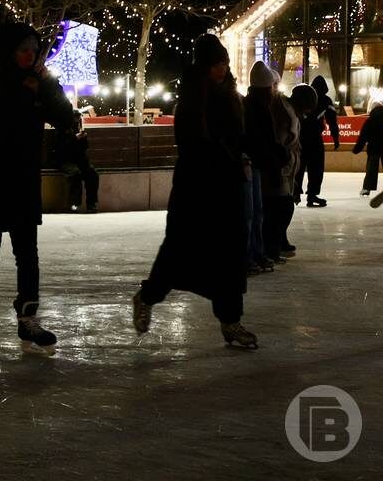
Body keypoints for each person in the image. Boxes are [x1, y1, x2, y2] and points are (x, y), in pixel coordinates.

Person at [132, 34, 258, 349]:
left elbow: (242, 137)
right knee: (179, 250)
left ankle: (231, 321)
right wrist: (224, 154)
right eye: (215, 64)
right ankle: (147, 297)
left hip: (228, 187)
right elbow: (193, 144)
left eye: (224, 62)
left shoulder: (232, 97)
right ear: (203, 66)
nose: (221, 68)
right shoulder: (192, 100)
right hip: (196, 187)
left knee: (230, 255)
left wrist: (249, 154)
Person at [0, 22, 70, 360]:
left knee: (27, 254)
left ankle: (28, 319)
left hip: (23, 182)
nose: (30, 55)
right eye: (24, 49)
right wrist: (28, 94)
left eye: (34, 50)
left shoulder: (40, 85)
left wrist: (47, 86)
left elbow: (66, 119)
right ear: (9, 51)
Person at [242, 61, 285, 274]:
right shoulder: (253, 107)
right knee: (250, 214)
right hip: (249, 164)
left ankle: (257, 253)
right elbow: (259, 140)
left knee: (257, 212)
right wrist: (275, 158)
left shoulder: (259, 106)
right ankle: (249, 256)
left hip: (256, 164)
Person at [267, 83, 315, 260]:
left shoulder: (291, 113)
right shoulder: (286, 115)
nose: (307, 114)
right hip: (280, 168)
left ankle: (279, 241)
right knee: (281, 208)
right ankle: (274, 245)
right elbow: (280, 143)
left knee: (284, 206)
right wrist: (285, 158)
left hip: (286, 168)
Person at [296, 75, 339, 207]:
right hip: (315, 139)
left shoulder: (303, 98)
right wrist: (336, 138)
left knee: (299, 166)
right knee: (316, 167)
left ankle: (295, 192)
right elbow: (332, 120)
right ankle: (312, 195)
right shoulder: (326, 100)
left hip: (300, 137)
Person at [55, 106, 99, 213]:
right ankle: (74, 203)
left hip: (80, 161)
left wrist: (83, 138)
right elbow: (61, 148)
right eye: (75, 117)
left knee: (93, 174)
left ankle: (91, 203)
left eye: (78, 117)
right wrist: (75, 138)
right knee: (75, 174)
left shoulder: (79, 129)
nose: (77, 120)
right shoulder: (62, 129)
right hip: (65, 161)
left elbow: (85, 148)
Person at [353, 105, 383, 196]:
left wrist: (357, 149)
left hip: (374, 148)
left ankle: (367, 188)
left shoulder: (370, 121)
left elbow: (363, 137)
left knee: (371, 169)